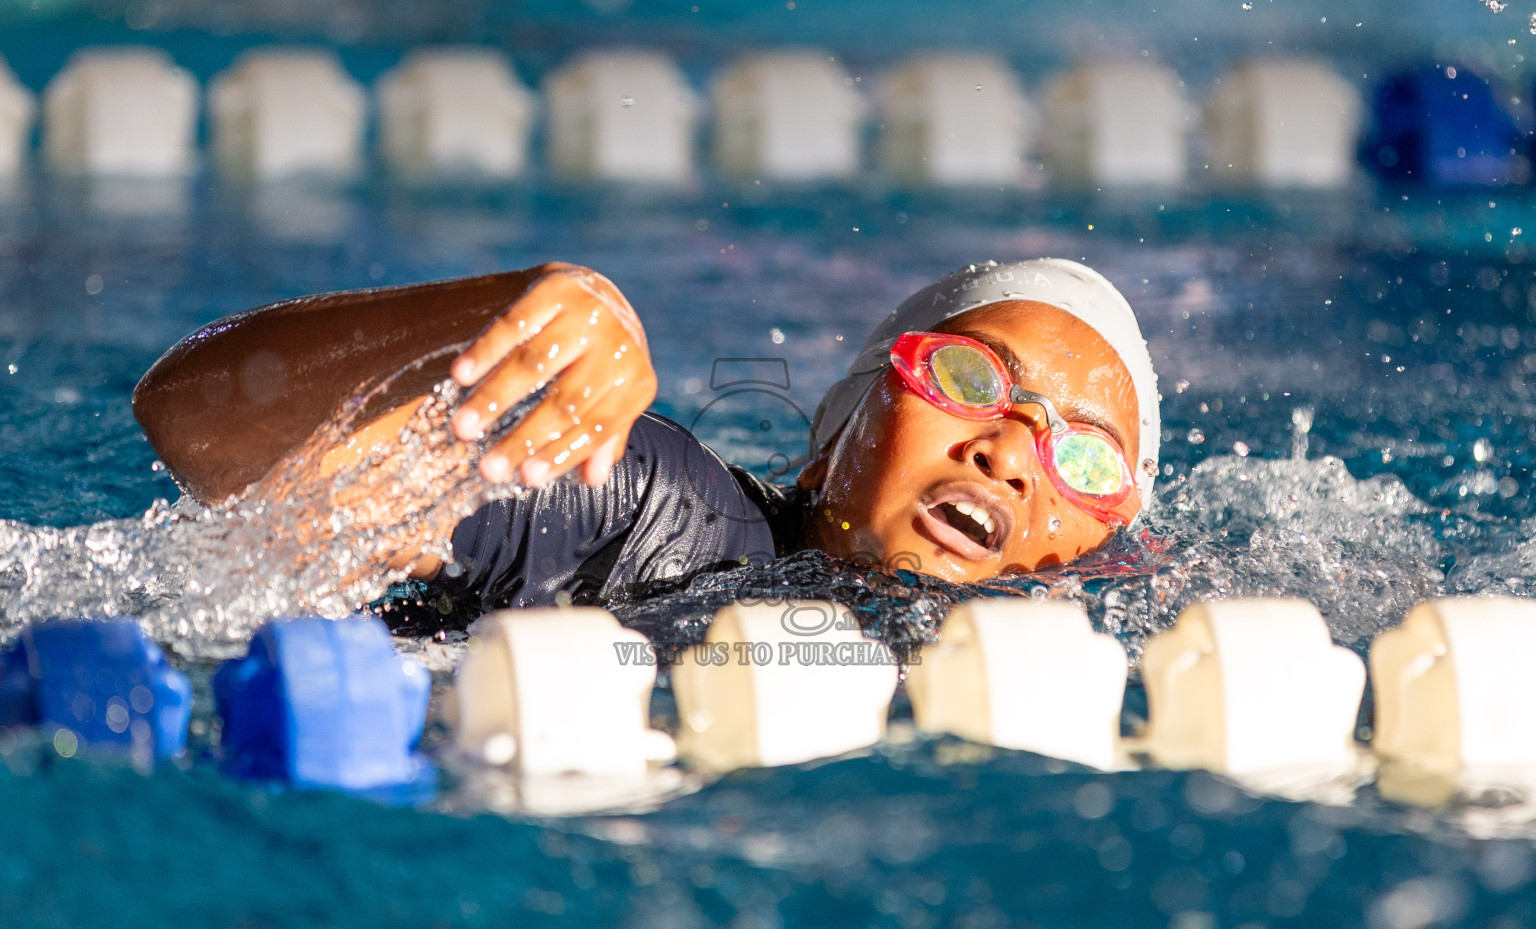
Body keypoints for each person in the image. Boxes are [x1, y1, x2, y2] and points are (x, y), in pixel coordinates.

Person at [131, 258, 1160, 621]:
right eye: (970, 380)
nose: (1014, 451)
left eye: (1087, 456)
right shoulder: (654, 513)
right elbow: (195, 428)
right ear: (832, 443)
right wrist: (494, 323)